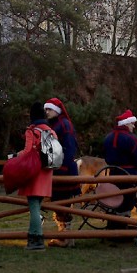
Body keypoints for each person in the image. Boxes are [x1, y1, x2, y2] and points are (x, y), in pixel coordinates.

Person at [17, 103, 56, 251]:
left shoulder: (32, 131)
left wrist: (16, 156)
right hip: (47, 171)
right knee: (36, 205)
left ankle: (37, 240)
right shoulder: (51, 130)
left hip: (34, 171)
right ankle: (34, 236)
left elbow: (27, 151)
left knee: (33, 206)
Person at [43, 97, 80, 247]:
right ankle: (64, 236)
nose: (47, 112)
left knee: (62, 203)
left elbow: (70, 148)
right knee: (58, 203)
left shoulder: (64, 125)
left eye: (49, 109)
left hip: (63, 170)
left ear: (57, 110)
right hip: (55, 169)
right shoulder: (51, 125)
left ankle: (66, 237)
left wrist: (61, 165)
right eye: (46, 109)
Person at [103, 110, 137, 230]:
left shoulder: (108, 138)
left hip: (113, 174)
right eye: (132, 124)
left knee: (115, 198)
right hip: (128, 175)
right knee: (127, 200)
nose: (133, 126)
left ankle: (114, 223)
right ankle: (121, 225)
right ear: (126, 124)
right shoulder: (131, 139)